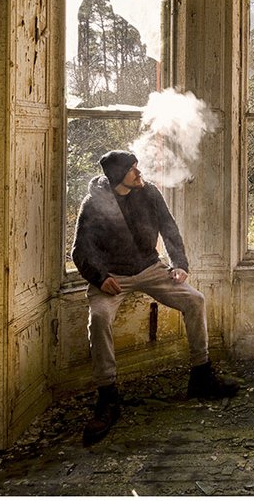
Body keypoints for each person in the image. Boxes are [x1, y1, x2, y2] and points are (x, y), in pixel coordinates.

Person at [71, 149, 238, 445]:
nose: (139, 173)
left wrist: (180, 265)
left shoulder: (149, 194)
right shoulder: (94, 204)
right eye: (132, 169)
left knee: (195, 299)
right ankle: (108, 397)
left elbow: (169, 228)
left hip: (150, 268)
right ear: (117, 176)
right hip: (112, 277)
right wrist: (101, 278)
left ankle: (201, 374)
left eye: (137, 167)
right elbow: (81, 251)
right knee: (98, 318)